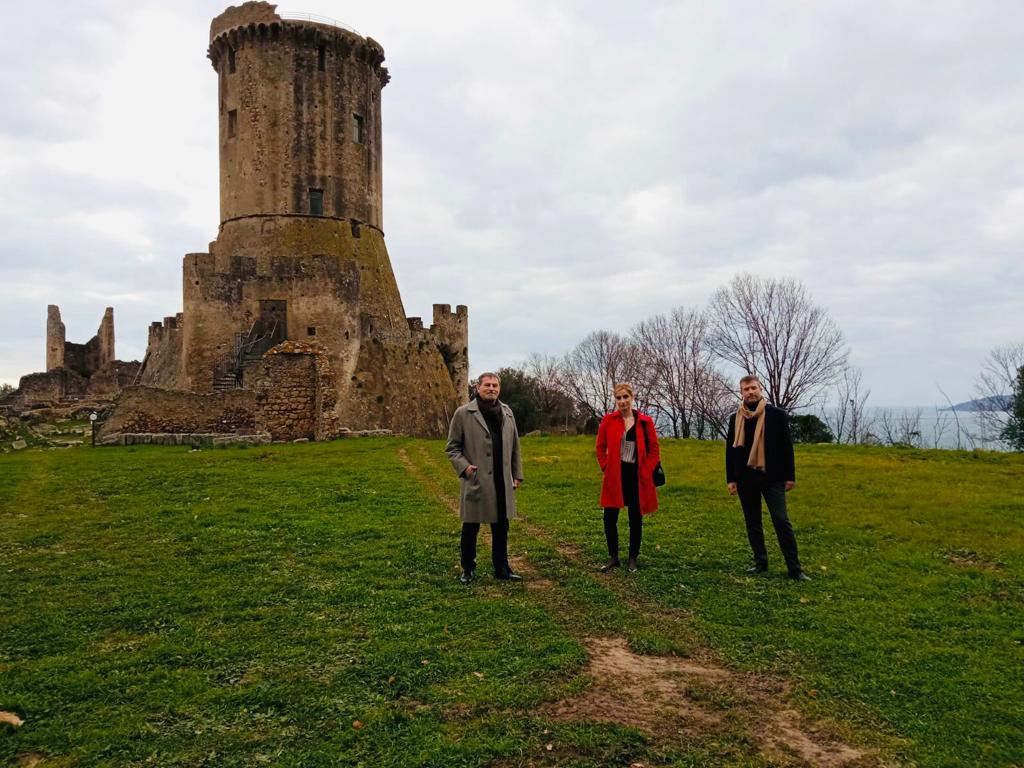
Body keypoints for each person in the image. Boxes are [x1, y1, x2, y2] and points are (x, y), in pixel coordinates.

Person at [725, 374, 811, 581]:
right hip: (746, 479)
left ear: (760, 389)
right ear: (741, 392)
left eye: (754, 388)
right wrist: (731, 479)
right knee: (753, 522)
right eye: (746, 389)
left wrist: (790, 476)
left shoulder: (776, 415)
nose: (750, 392)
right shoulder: (735, 418)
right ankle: (760, 562)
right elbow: (730, 450)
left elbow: (786, 447)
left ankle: (795, 568)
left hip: (772, 477)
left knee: (781, 520)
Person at [445, 372, 524, 584]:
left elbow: (515, 447)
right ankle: (467, 568)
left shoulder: (507, 413)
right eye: (487, 385)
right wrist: (465, 468)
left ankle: (502, 568)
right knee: (471, 527)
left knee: (501, 527)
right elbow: (452, 448)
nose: (492, 388)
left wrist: (517, 474)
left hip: (502, 479)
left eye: (495, 385)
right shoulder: (463, 413)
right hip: (477, 479)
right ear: (477, 388)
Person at [595, 382, 660, 572]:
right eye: (618, 398)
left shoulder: (644, 422)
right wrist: (605, 466)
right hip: (615, 474)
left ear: (632, 398)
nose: (622, 401)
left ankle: (633, 558)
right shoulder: (608, 420)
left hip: (636, 476)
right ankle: (613, 557)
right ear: (615, 400)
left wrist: (647, 469)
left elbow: (654, 449)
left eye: (625, 397)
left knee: (635, 518)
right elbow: (600, 447)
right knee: (609, 518)